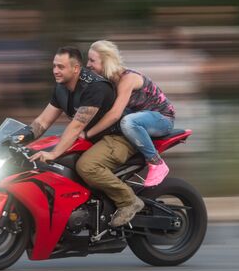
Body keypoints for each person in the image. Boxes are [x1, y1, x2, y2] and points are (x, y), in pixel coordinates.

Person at [26, 46, 144, 227]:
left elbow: (76, 126)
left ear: (75, 68)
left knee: (86, 166)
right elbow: (42, 122)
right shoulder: (61, 89)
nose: (55, 71)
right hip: (92, 138)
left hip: (118, 137)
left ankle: (128, 200)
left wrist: (53, 153)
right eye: (54, 66)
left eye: (61, 67)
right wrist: (16, 139)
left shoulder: (95, 87)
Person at [83, 40, 175, 187]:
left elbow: (115, 114)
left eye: (92, 60)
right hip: (141, 118)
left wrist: (87, 134)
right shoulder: (109, 82)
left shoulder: (127, 79)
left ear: (106, 62)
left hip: (162, 119)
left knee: (128, 122)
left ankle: (156, 162)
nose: (87, 64)